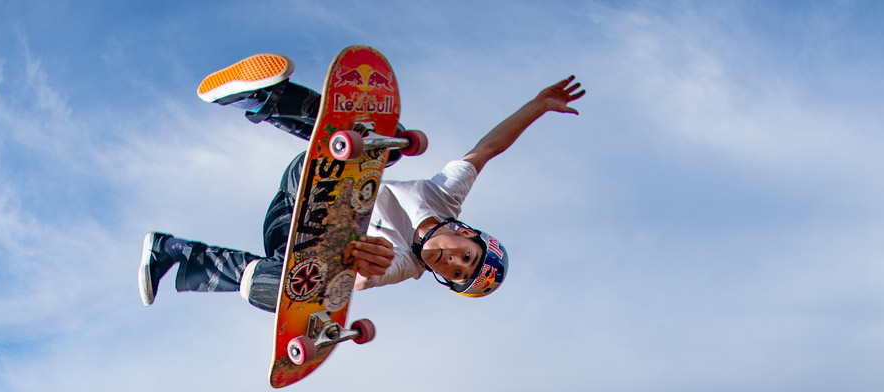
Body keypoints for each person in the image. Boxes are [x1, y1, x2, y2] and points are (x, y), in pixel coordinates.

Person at [139, 54, 583, 311]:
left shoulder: (405, 267)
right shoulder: (445, 195)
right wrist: (538, 105)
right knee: (385, 144)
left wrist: (360, 270)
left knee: (306, 289)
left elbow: (366, 280)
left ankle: (172, 252)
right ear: (466, 233)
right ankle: (262, 96)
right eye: (466, 257)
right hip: (314, 178)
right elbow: (487, 149)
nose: (452, 264)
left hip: (291, 230)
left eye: (455, 275)